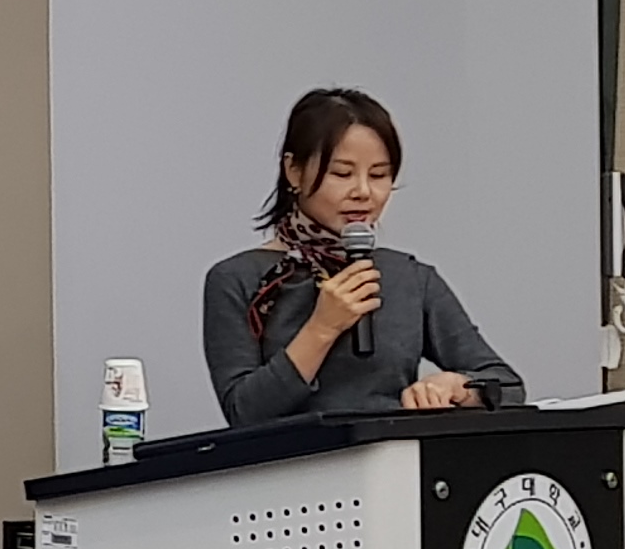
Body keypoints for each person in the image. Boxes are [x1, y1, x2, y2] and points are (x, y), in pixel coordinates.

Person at [203, 86, 523, 425]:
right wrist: (322, 328)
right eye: (342, 173)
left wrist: (458, 387)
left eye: (379, 175)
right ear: (293, 170)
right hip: (296, 458)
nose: (363, 192)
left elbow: (508, 385)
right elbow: (243, 412)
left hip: (395, 452)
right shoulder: (237, 279)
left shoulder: (410, 278)